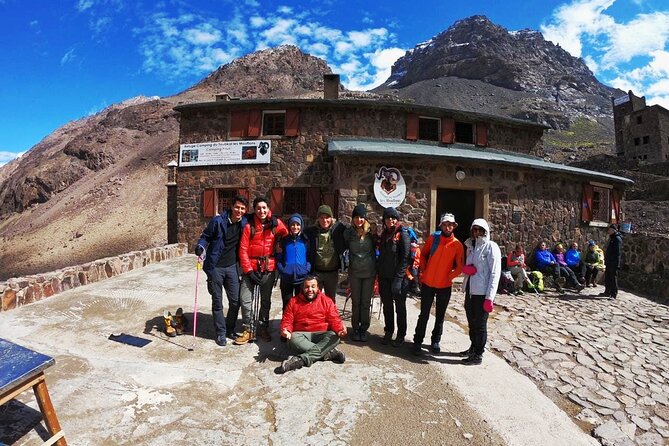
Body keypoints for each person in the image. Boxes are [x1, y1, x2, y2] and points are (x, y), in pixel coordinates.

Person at [194, 195, 249, 346]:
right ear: (232, 206)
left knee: (235, 301)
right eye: (237, 207)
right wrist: (200, 247)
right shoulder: (218, 221)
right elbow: (206, 237)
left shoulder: (244, 223)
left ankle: (230, 328)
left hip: (232, 267)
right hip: (215, 267)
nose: (239, 210)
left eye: (242, 208)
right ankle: (220, 333)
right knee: (217, 302)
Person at [235, 196, 288, 345]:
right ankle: (248, 328)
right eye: (258, 208)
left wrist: (277, 225)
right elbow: (243, 250)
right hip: (250, 268)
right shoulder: (248, 226)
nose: (261, 211)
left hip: (268, 268)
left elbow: (286, 233)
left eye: (264, 208)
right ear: (254, 210)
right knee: (245, 299)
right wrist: (249, 271)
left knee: (265, 301)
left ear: (268, 209)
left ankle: (263, 327)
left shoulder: (274, 224)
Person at [412, 213, 464, 355]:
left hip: (444, 286)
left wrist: (449, 276)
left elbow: (460, 266)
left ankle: (435, 341)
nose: (448, 227)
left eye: (451, 224)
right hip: (428, 283)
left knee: (440, 316)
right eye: (445, 224)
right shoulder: (433, 239)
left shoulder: (457, 245)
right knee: (424, 315)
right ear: (441, 225)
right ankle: (417, 341)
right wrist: (423, 270)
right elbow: (423, 255)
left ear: (454, 226)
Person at [278, 276, 347, 374]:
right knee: (292, 338)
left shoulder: (327, 300)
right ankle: (328, 353)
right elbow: (287, 319)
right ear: (302, 288)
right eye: (307, 287)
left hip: (321, 334)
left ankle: (300, 360)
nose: (310, 290)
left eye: (313, 286)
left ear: (318, 288)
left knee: (335, 337)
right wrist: (286, 330)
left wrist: (340, 329)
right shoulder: (293, 301)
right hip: (301, 335)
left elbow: (334, 318)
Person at [459, 219, 501, 365]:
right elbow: (470, 266)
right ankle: (473, 347)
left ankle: (478, 354)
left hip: (482, 292)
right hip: (471, 290)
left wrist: (490, 297)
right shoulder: (471, 246)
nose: (477, 232)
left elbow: (495, 273)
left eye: (479, 229)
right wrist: (466, 269)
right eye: (474, 229)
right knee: (471, 322)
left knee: (480, 324)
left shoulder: (491, 247)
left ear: (485, 231)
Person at [377, 207, 411, 346]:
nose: (390, 220)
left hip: (398, 279)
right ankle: (389, 331)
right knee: (387, 306)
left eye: (393, 217)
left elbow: (406, 258)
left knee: (400, 307)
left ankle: (401, 335)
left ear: (397, 219)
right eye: (388, 217)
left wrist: (398, 278)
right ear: (384, 220)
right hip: (384, 276)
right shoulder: (384, 234)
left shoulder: (402, 234)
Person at [342, 204, 377, 342]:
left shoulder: (371, 232)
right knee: (356, 302)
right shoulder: (348, 233)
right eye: (356, 217)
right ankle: (355, 328)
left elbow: (377, 248)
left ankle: (364, 329)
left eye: (361, 217)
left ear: (365, 218)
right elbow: (343, 246)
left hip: (369, 272)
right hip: (355, 272)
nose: (359, 220)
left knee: (365, 302)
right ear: (353, 219)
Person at [305, 205, 346, 301]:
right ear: (318, 219)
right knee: (314, 300)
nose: (324, 220)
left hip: (332, 273)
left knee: (330, 301)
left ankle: (329, 316)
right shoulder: (311, 232)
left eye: (327, 217)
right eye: (322, 218)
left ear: (331, 218)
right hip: (316, 272)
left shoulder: (338, 230)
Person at [276, 214, 312, 311]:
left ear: (301, 226)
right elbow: (279, 257)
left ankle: (299, 325)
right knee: (287, 304)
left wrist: (306, 269)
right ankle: (287, 325)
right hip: (287, 278)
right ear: (289, 226)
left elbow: (309, 257)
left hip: (301, 278)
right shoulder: (284, 240)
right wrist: (282, 270)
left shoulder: (305, 240)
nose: (295, 227)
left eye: (298, 225)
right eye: (293, 224)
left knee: (301, 305)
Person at [602, 224, 623, 299]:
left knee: (613, 278)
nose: (608, 231)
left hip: (613, 262)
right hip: (609, 261)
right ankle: (607, 291)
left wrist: (616, 263)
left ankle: (613, 294)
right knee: (607, 276)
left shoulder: (617, 239)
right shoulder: (612, 238)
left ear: (614, 230)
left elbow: (618, 253)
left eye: (610, 230)